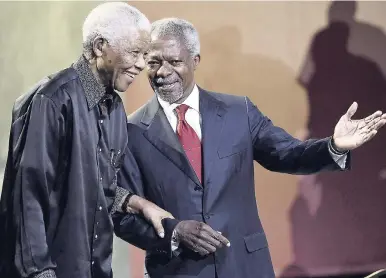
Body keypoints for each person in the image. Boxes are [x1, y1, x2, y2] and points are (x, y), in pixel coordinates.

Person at [116, 18, 386, 278]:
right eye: (154, 63)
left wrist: (334, 146)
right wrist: (174, 231)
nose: (163, 72)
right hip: (176, 270)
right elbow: (123, 216)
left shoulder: (238, 112)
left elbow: (287, 154)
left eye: (175, 62)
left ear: (195, 60)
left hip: (244, 266)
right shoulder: (130, 131)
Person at [0, 3, 173, 278]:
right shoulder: (52, 101)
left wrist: (138, 203)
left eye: (144, 54)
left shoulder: (115, 109)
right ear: (100, 47)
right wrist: (40, 273)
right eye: (135, 53)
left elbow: (99, 187)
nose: (142, 64)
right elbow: (28, 198)